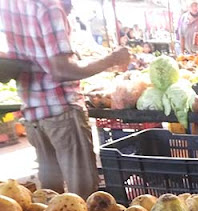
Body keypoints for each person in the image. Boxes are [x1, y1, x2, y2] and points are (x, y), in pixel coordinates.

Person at [0, 0, 131, 198]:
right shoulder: (47, 6)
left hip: (33, 113)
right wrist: (111, 60)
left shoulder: (12, 4)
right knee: (84, 196)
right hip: (61, 110)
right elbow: (62, 69)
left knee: (49, 196)